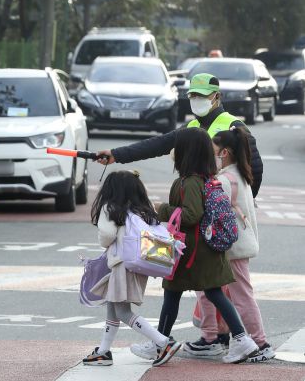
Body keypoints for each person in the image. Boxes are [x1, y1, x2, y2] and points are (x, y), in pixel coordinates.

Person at [130, 127, 258, 364]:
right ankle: (242, 340)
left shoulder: (187, 182)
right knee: (209, 293)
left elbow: (191, 215)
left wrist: (162, 209)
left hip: (190, 252)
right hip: (204, 252)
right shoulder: (206, 179)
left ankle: (161, 343)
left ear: (185, 153)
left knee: (174, 293)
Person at [183, 127, 274, 363]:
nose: (210, 155)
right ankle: (213, 336)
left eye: (213, 151)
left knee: (236, 295)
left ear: (224, 152)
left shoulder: (224, 180)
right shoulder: (241, 176)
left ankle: (259, 342)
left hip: (228, 249)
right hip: (236, 247)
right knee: (212, 292)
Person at [95, 73, 264, 198]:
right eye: (193, 95)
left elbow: (254, 168)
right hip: (194, 204)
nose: (196, 99)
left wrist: (242, 201)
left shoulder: (232, 125)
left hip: (224, 208)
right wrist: (116, 154)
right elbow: (157, 145)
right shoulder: (191, 126)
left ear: (217, 96)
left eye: (202, 96)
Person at [82, 170, 181, 367]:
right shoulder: (143, 209)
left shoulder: (110, 208)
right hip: (137, 264)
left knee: (123, 312)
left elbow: (106, 236)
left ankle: (163, 342)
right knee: (113, 308)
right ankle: (103, 351)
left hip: (121, 266)